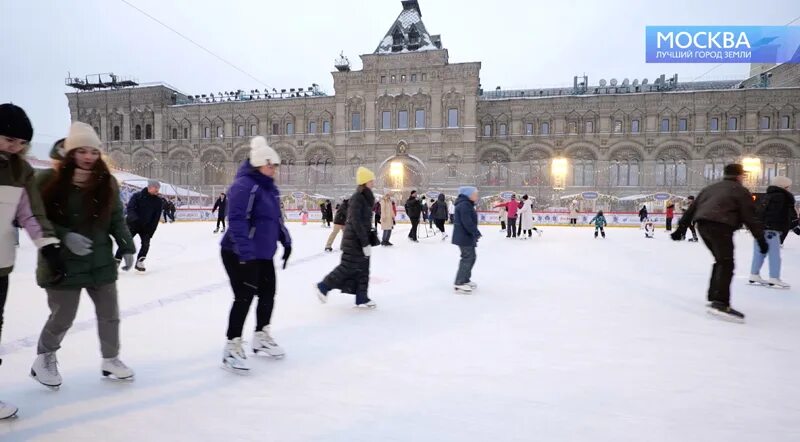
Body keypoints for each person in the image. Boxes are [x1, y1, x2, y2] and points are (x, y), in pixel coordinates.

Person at [32, 122, 137, 389]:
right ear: (70, 152)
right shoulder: (47, 179)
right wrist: (65, 235)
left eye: (94, 151)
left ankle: (111, 359)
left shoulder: (107, 182)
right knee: (63, 315)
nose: (89, 157)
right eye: (82, 151)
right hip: (61, 260)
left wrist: (126, 245)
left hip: (99, 259)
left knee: (109, 313)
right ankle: (44, 357)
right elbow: (35, 217)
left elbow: (116, 218)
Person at [0, 104, 65, 417]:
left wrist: (49, 246)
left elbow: (30, 212)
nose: (16, 147)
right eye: (10, 140)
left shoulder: (20, 170)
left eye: (22, 143)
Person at [220, 136, 292, 372]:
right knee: (244, 297)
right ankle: (231, 347)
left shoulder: (270, 189)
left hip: (262, 253)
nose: (274, 170)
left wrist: (285, 240)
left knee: (269, 294)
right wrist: (245, 252)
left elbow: (275, 220)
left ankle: (261, 336)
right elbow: (237, 220)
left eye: (275, 166)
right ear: (259, 164)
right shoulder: (244, 185)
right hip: (238, 252)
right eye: (270, 165)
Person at [671, 164, 765, 323]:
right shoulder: (739, 190)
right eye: (743, 175)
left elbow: (692, 209)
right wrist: (760, 238)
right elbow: (750, 216)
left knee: (721, 261)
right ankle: (720, 302)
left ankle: (714, 295)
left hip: (703, 226)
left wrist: (680, 229)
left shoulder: (711, 188)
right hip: (720, 225)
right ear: (738, 176)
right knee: (726, 263)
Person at [315, 167, 380, 309]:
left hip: (360, 238)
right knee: (347, 267)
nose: (373, 181)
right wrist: (364, 243)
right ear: (365, 181)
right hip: (354, 241)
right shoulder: (358, 198)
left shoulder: (366, 196)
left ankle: (362, 297)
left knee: (363, 269)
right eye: (371, 179)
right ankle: (323, 286)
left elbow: (363, 221)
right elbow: (355, 221)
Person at [748, 176, 799, 288]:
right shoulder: (783, 197)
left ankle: (754, 274)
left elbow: (760, 212)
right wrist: (795, 226)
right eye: (788, 187)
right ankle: (774, 277)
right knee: (774, 254)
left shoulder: (768, 196)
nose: (789, 189)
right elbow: (787, 215)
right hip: (772, 229)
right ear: (784, 186)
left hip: (760, 228)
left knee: (760, 252)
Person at [115, 179, 163, 272]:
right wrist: (135, 219)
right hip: (133, 224)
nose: (157, 189)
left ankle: (140, 261)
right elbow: (130, 208)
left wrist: (151, 231)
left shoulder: (158, 201)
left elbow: (156, 218)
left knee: (146, 244)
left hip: (146, 227)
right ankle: (117, 260)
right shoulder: (137, 196)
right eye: (155, 187)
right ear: (149, 187)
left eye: (158, 188)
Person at [452, 186, 481, 294]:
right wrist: (476, 232)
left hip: (466, 236)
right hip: (463, 236)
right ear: (469, 195)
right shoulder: (464, 205)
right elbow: (467, 222)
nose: (476, 196)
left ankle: (465, 279)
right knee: (467, 258)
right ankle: (459, 283)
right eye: (475, 194)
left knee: (471, 257)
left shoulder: (467, 204)